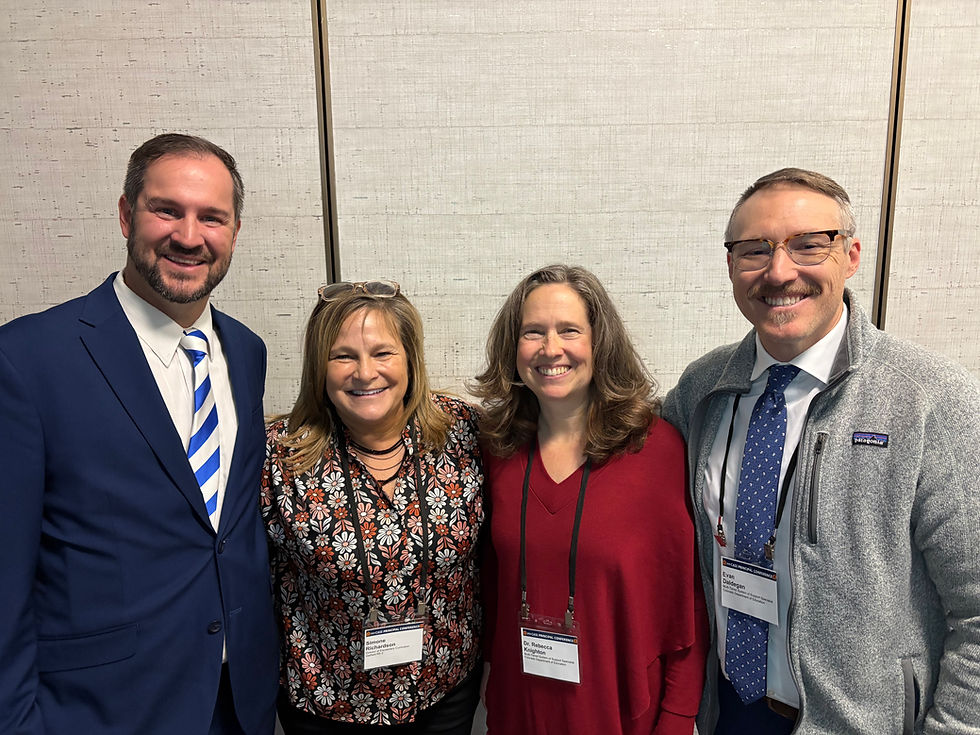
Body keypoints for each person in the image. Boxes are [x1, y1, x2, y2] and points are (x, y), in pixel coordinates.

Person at [662, 168, 980, 734]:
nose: (780, 271)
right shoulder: (702, 390)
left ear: (852, 254)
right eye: (754, 250)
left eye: (809, 244)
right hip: (728, 710)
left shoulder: (930, 399)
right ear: (731, 266)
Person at [0, 133, 278, 734]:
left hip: (240, 703)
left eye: (212, 217)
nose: (189, 235)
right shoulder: (28, 359)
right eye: (167, 210)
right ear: (127, 215)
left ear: (234, 231)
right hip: (102, 711)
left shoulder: (247, 352)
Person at [473, 264, 708, 735]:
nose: (550, 348)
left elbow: (686, 602)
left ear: (600, 343)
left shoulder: (656, 449)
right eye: (532, 332)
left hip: (620, 710)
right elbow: (491, 585)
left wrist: (680, 716)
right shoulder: (495, 448)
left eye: (569, 330)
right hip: (520, 706)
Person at [263, 280, 484, 734]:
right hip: (326, 705)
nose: (365, 373)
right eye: (343, 356)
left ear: (410, 360)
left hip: (443, 694)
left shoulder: (462, 432)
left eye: (383, 353)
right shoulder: (277, 456)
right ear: (318, 367)